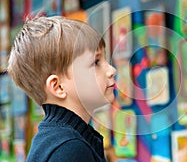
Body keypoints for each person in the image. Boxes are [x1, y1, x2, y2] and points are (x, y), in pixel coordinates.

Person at [7, 16, 116, 162]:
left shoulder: (56, 140)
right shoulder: (69, 149)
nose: (111, 70)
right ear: (58, 87)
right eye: (95, 62)